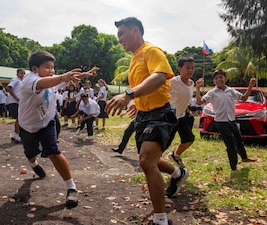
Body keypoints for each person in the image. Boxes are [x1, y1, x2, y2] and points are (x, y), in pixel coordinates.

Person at [106, 17, 188, 225]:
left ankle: (161, 220)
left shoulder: (151, 51)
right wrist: (137, 103)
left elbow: (160, 77)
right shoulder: (135, 58)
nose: (119, 39)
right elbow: (147, 85)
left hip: (160, 114)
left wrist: (128, 95)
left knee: (146, 160)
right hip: (143, 115)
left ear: (135, 31)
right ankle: (178, 172)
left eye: (121, 34)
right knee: (148, 159)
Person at [18, 50, 99, 208]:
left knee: (53, 151)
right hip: (28, 125)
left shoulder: (52, 80)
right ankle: (33, 164)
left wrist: (84, 75)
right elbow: (46, 83)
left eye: (53, 67)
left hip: (47, 121)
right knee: (31, 153)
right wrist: (62, 77)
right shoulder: (30, 80)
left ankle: (71, 188)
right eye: (47, 67)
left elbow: (62, 81)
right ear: (35, 69)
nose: (51, 71)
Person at [195, 69, 258, 171]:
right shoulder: (212, 93)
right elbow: (199, 102)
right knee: (230, 144)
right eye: (216, 78)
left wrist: (250, 86)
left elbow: (243, 98)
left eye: (221, 77)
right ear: (214, 81)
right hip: (221, 122)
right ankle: (234, 167)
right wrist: (197, 88)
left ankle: (245, 158)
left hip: (232, 120)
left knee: (238, 140)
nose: (219, 80)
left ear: (225, 78)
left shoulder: (230, 90)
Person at [167, 56, 196, 168]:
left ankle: (176, 155)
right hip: (170, 118)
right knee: (164, 143)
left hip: (182, 117)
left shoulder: (191, 83)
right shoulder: (172, 82)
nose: (190, 70)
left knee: (189, 139)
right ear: (179, 69)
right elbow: (161, 95)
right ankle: (153, 164)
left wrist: (186, 109)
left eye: (192, 68)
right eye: (187, 67)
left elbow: (185, 99)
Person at [6, 68, 25, 143]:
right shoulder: (15, 80)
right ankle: (17, 135)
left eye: (24, 73)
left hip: (20, 102)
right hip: (15, 102)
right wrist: (16, 98)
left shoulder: (22, 81)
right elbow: (8, 88)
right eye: (21, 73)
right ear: (17, 74)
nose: (22, 75)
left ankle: (15, 135)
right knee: (19, 119)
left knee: (19, 119)